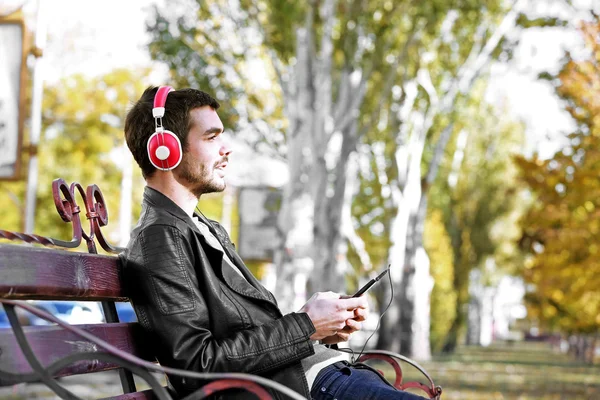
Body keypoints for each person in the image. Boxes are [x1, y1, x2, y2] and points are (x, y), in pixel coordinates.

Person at [121, 86, 427, 400]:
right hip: (303, 389)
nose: (226, 149)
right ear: (164, 149)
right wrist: (306, 326)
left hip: (315, 377)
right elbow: (195, 364)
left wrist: (321, 329)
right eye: (211, 137)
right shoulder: (160, 237)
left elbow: (244, 334)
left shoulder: (199, 228)